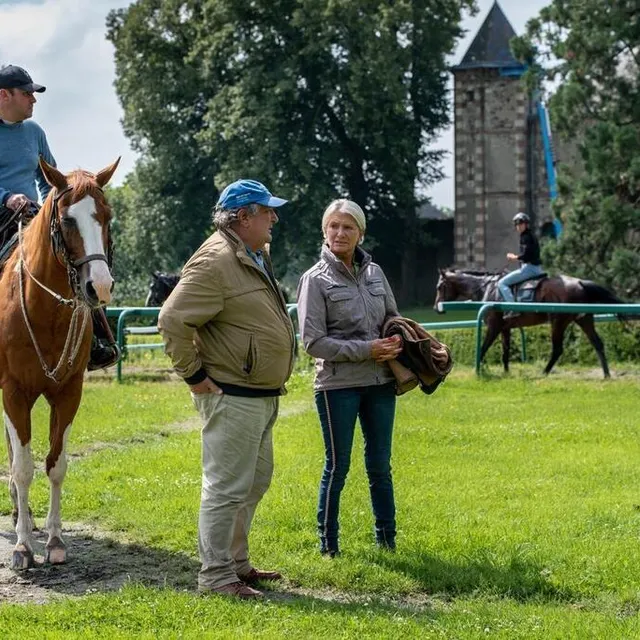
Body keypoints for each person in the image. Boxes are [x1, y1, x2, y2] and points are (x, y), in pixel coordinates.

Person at [158, 179, 295, 599]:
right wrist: (196, 378)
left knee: (253, 482)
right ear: (243, 217)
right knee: (225, 487)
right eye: (266, 210)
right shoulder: (215, 261)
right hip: (232, 395)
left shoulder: (251, 254)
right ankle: (216, 577)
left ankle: (237, 565)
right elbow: (171, 320)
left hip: (258, 394)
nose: (274, 217)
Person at [296, 199, 403, 557]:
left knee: (380, 465)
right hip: (336, 385)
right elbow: (313, 342)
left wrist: (399, 339)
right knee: (338, 466)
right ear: (324, 231)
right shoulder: (314, 280)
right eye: (334, 226)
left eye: (348, 227)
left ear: (360, 233)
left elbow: (392, 317)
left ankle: (387, 541)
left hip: (381, 383)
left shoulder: (376, 274)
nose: (340, 233)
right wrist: (367, 349)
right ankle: (329, 547)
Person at [0, 64, 119, 370]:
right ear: (4, 95)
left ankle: (96, 342)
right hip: (1, 214)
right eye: (27, 94)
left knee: (72, 261)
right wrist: (6, 197)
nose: (33, 100)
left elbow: (51, 179)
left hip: (31, 216)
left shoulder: (34, 133)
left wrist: (49, 208)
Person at [497, 212, 543, 319]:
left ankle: (513, 309)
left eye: (520, 224)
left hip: (529, 268)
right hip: (536, 268)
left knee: (502, 283)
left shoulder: (525, 237)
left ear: (526, 224)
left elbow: (526, 255)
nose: (518, 226)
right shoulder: (530, 235)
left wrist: (514, 257)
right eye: (517, 224)